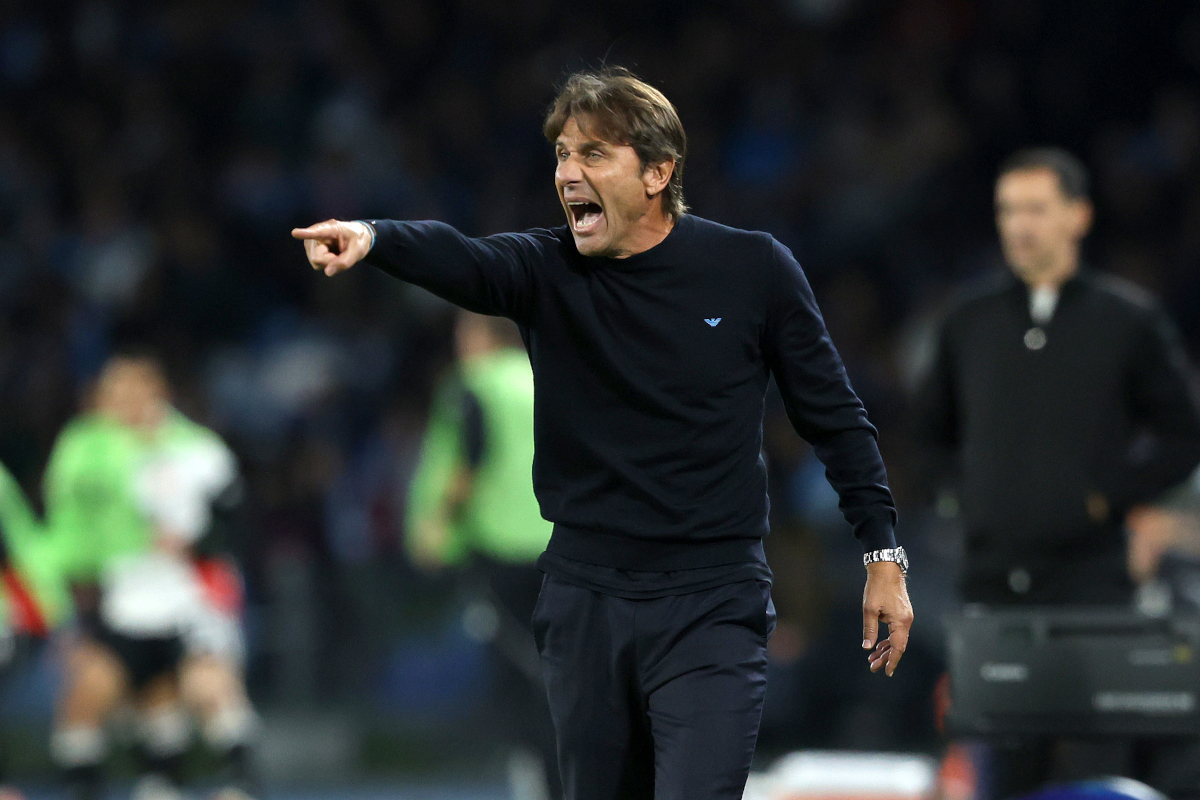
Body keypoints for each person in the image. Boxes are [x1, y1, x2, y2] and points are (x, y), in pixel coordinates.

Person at [294, 67, 913, 800]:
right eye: (561, 153)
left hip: (712, 601)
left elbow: (834, 418)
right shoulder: (544, 269)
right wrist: (372, 236)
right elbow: (459, 254)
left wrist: (883, 551)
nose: (567, 172)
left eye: (593, 154)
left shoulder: (752, 268)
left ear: (658, 172)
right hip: (585, 599)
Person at [912, 148, 1200, 795]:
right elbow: (924, 436)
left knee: (1099, 770)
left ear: (1078, 216)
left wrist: (1110, 498)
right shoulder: (968, 321)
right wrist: (965, 499)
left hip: (1093, 581)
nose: (1020, 225)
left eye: (1037, 209)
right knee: (1005, 770)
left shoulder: (1127, 320)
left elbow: (1182, 436)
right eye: (1008, 210)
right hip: (993, 582)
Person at [46, 353, 259, 800]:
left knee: (209, 682)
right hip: (119, 595)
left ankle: (239, 783)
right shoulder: (85, 447)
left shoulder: (194, 448)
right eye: (114, 391)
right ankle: (125, 785)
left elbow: (234, 515)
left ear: (158, 392)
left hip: (189, 592)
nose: (123, 401)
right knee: (100, 696)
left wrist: (195, 542)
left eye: (134, 389)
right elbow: (67, 524)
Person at [407, 309, 559, 800]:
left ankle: (541, 777)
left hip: (501, 549)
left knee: (519, 672)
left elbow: (468, 457)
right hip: (563, 543)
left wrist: (437, 526)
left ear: (478, 337)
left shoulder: (474, 384)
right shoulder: (549, 375)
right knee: (563, 664)